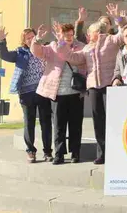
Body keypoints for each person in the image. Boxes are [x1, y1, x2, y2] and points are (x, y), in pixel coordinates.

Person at [57, 4, 127, 165]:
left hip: (110, 85)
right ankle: (102, 154)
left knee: (114, 120)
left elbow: (124, 34)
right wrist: (61, 42)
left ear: (96, 32)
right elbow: (71, 57)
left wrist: (118, 18)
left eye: (89, 32)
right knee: (98, 121)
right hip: (94, 87)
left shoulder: (111, 40)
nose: (87, 35)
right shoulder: (87, 48)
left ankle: (118, 152)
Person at [31, 22, 86, 165]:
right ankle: (59, 154)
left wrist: (63, 46)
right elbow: (37, 52)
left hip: (75, 92)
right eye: (65, 34)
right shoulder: (52, 47)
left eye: (70, 34)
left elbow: (78, 59)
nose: (68, 36)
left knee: (75, 125)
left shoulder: (80, 47)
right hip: (58, 93)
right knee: (59, 126)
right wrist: (37, 39)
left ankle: (75, 153)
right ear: (59, 34)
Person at [0, 26, 52, 163]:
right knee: (29, 123)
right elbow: (4, 55)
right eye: (27, 38)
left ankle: (47, 151)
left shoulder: (44, 49)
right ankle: (31, 152)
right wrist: (1, 40)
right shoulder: (20, 52)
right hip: (26, 93)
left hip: (43, 91)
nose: (30, 40)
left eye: (32, 37)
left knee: (46, 122)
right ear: (24, 40)